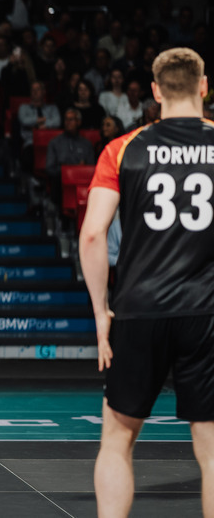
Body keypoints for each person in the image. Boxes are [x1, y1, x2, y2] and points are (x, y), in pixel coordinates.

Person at [79, 47, 214, 518]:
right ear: (203, 87)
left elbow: (92, 234)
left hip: (139, 309)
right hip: (207, 312)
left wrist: (101, 313)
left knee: (117, 438)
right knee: (212, 446)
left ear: (155, 91)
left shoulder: (122, 149)